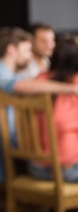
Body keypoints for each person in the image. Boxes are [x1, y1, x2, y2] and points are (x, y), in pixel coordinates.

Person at [0, 27, 78, 183]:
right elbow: (19, 85)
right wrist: (71, 89)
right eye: (27, 50)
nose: (30, 57)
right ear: (11, 49)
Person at [28, 34, 78, 181]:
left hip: (34, 166)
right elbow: (61, 122)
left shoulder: (40, 79)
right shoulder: (74, 85)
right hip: (65, 170)